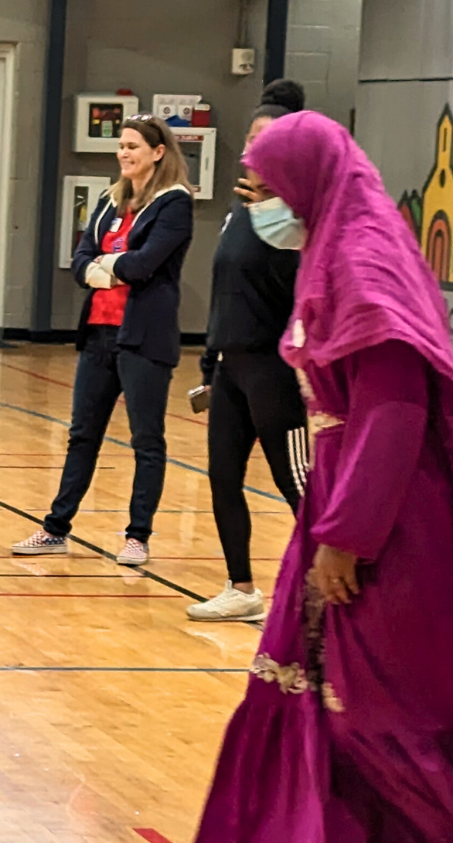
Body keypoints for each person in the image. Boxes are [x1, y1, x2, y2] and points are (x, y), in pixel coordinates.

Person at [180, 112, 453, 843]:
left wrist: (350, 538)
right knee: (294, 689)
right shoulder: (331, 245)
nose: (263, 206)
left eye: (270, 189)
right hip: (340, 497)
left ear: (311, 182)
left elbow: (395, 410)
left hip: (388, 515)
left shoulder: (363, 261)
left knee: (399, 700)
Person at [12, 116, 193, 565]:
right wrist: (108, 268)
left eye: (134, 146)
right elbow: (79, 261)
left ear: (157, 152)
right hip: (98, 333)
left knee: (146, 439)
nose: (125, 154)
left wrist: (105, 268)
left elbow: (145, 264)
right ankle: (56, 528)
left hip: (144, 337)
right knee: (81, 435)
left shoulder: (175, 204)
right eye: (121, 147)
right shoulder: (109, 200)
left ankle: (138, 536)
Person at [189, 92, 308, 622]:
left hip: (275, 369)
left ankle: (324, 590)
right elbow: (224, 289)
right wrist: (210, 361)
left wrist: (274, 207)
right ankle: (241, 588)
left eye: (264, 140)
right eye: (250, 139)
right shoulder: (237, 212)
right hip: (231, 364)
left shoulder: (297, 221)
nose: (251, 149)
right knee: (222, 476)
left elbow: (300, 291)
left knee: (297, 483)